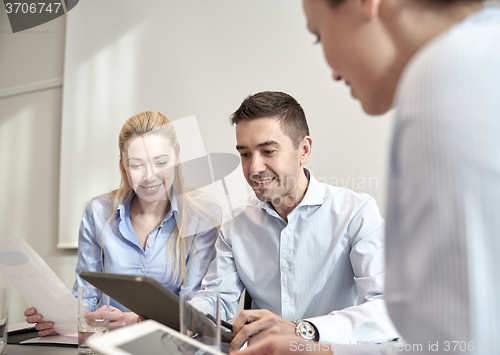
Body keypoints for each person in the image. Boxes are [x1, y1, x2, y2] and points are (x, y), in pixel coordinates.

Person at [237, 0, 500, 354]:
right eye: (244, 154)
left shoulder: (445, 81)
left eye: (318, 35)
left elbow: (456, 344)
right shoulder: (478, 57)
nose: (330, 69)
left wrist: (308, 344)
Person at [191, 91, 399, 351]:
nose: (254, 168)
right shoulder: (236, 220)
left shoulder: (356, 213)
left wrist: (305, 330)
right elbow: (217, 300)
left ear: (304, 150)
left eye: (268, 151)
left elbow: (389, 310)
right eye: (245, 154)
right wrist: (176, 318)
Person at [25, 111, 221, 336]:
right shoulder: (98, 213)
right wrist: (61, 319)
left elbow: (196, 311)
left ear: (177, 157)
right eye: (137, 165)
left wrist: (135, 321)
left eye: (161, 162)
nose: (150, 176)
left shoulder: (202, 213)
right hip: (108, 345)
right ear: (124, 165)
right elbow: (86, 297)